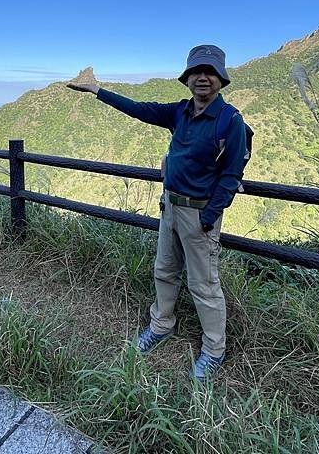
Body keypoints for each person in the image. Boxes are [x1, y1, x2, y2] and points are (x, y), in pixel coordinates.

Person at [67, 45, 248, 381]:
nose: (202, 78)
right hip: (170, 207)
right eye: (196, 72)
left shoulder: (230, 120)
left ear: (220, 79)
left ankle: (213, 350)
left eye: (209, 72)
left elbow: (232, 174)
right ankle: (161, 324)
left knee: (203, 284)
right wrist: (96, 90)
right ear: (188, 78)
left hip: (199, 215)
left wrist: (210, 216)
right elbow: (137, 109)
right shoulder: (179, 112)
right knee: (164, 270)